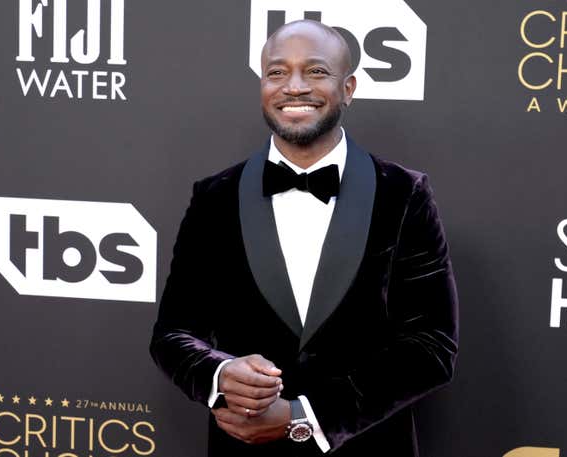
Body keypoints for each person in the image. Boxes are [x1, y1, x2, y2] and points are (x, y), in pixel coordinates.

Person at [150, 19, 458, 457]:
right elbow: (173, 334)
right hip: (243, 443)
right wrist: (220, 375)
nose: (293, 87)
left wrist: (305, 417)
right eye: (277, 72)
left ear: (348, 88)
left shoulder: (404, 194)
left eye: (315, 71)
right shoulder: (214, 197)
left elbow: (432, 346)